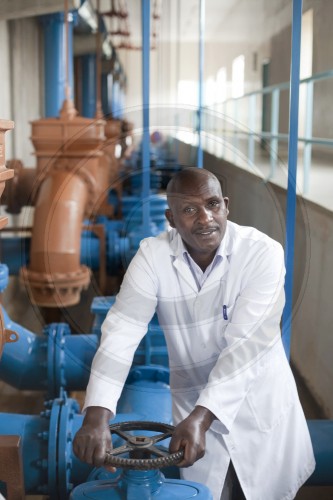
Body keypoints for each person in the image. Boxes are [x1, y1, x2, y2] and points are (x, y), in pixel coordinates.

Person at [73, 167, 315, 500]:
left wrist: (202, 417)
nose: (205, 218)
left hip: (258, 409)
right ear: (171, 218)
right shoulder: (152, 256)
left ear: (226, 206)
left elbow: (245, 348)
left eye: (213, 204)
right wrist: (97, 412)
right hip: (193, 407)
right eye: (189, 210)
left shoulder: (262, 254)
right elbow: (122, 329)